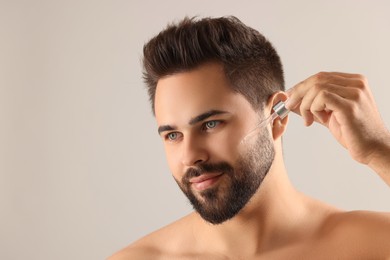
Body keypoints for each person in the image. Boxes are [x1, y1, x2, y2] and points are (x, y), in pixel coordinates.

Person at [110, 16, 390, 259]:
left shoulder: (374, 245)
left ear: (277, 118)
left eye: (210, 124)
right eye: (172, 135)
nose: (189, 155)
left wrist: (380, 151)